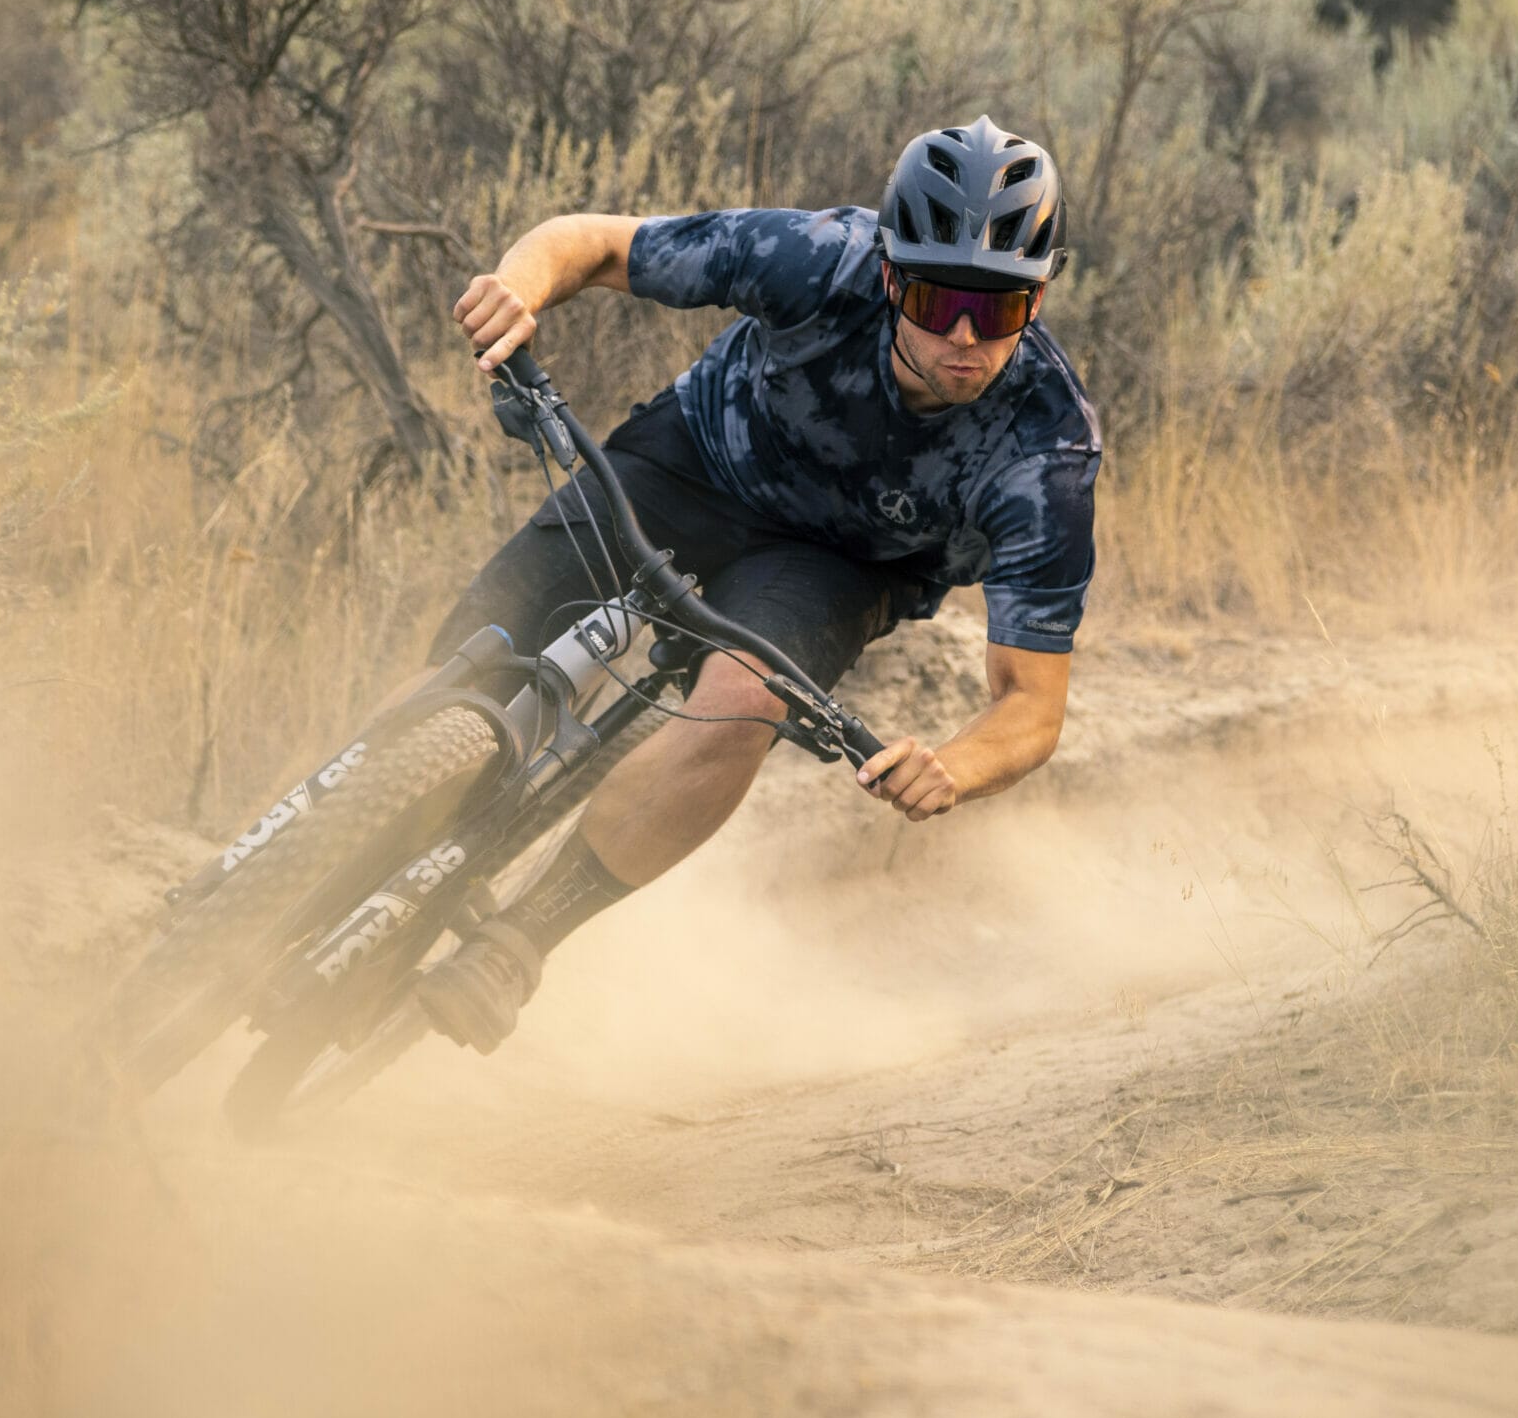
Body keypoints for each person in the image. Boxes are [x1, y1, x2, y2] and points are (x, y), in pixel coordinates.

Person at [411, 116, 1102, 1053]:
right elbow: (595, 242)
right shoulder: (819, 257)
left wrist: (957, 766)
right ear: (893, 275)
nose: (969, 339)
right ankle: (358, 826)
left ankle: (519, 942)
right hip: (697, 459)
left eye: (1005, 308)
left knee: (744, 699)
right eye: (941, 303)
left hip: (844, 565)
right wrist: (517, 295)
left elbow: (1032, 705)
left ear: (1042, 292)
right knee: (475, 652)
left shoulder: (1046, 454)